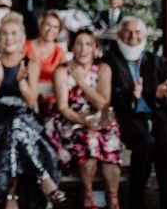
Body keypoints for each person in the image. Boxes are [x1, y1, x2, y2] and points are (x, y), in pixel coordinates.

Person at [0, 12, 63, 209]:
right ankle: (44, 177)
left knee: (15, 127)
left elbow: (32, 101)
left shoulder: (31, 62)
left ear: (22, 37)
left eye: (14, 33)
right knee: (14, 127)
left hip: (23, 116)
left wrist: (22, 81)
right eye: (5, 34)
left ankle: (11, 195)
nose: (9, 38)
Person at [45, 30, 121, 209]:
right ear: (72, 46)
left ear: (95, 48)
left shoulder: (103, 69)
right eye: (79, 43)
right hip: (71, 118)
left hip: (99, 113)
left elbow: (103, 104)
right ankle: (88, 194)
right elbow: (63, 107)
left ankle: (113, 197)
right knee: (90, 139)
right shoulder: (62, 70)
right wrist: (83, 120)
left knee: (110, 143)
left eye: (89, 44)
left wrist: (81, 81)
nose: (83, 48)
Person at [103, 17, 167, 209]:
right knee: (146, 142)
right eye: (128, 31)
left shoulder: (157, 61)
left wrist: (159, 96)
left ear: (145, 35)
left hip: (155, 115)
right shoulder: (109, 61)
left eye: (138, 31)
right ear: (119, 35)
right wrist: (131, 96)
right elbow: (107, 97)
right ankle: (136, 199)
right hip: (126, 115)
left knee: (166, 142)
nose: (133, 36)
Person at [24, 10, 67, 112]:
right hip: (26, 98)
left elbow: (63, 82)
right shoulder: (25, 46)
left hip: (51, 102)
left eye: (55, 27)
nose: (50, 30)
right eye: (48, 25)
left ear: (59, 31)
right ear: (41, 25)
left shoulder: (60, 52)